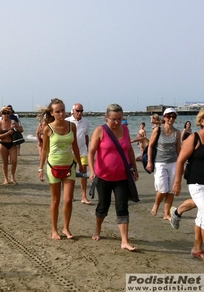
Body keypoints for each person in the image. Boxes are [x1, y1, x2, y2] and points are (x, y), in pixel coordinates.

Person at [88, 103, 138, 251]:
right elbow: (91, 152)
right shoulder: (100, 131)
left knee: (122, 207)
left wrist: (134, 169)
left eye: (119, 119)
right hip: (103, 177)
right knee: (103, 206)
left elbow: (129, 152)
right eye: (113, 119)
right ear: (107, 117)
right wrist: (92, 171)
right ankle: (98, 229)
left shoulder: (126, 130)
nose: (117, 122)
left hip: (122, 177)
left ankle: (124, 241)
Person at [38, 98, 84, 240]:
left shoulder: (72, 126)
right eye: (57, 111)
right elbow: (45, 150)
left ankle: (66, 228)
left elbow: (75, 146)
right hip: (53, 167)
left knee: (69, 199)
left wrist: (80, 163)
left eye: (63, 110)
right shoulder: (48, 128)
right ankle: (54, 230)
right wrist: (41, 168)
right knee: (55, 200)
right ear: (52, 113)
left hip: (69, 165)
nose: (61, 113)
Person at [172, 108, 204, 260]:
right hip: (196, 182)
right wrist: (177, 182)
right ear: (202, 121)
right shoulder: (194, 138)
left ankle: (197, 249)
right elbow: (180, 161)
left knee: (201, 216)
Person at [146, 108, 181, 220]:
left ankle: (166, 214)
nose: (171, 118)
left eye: (173, 117)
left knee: (171, 190)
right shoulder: (158, 130)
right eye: (169, 116)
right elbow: (150, 146)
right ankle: (156, 205)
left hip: (173, 162)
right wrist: (149, 161)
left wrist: (181, 164)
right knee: (162, 189)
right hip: (160, 162)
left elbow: (178, 149)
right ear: (164, 117)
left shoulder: (177, 132)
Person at [66, 103, 91, 204]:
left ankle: (84, 196)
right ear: (73, 111)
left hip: (82, 150)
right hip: (70, 151)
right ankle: (70, 195)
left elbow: (86, 136)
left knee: (83, 173)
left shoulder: (86, 121)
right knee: (71, 173)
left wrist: (87, 148)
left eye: (81, 111)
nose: (80, 113)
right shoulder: (67, 121)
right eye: (78, 111)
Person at [0, 106, 23, 184]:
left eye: (8, 113)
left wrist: (15, 128)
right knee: (5, 162)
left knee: (14, 161)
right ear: (1, 114)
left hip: (12, 143)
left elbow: (21, 129)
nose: (6, 115)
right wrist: (8, 133)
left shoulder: (13, 122)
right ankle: (5, 179)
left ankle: (12, 177)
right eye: (4, 113)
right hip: (3, 144)